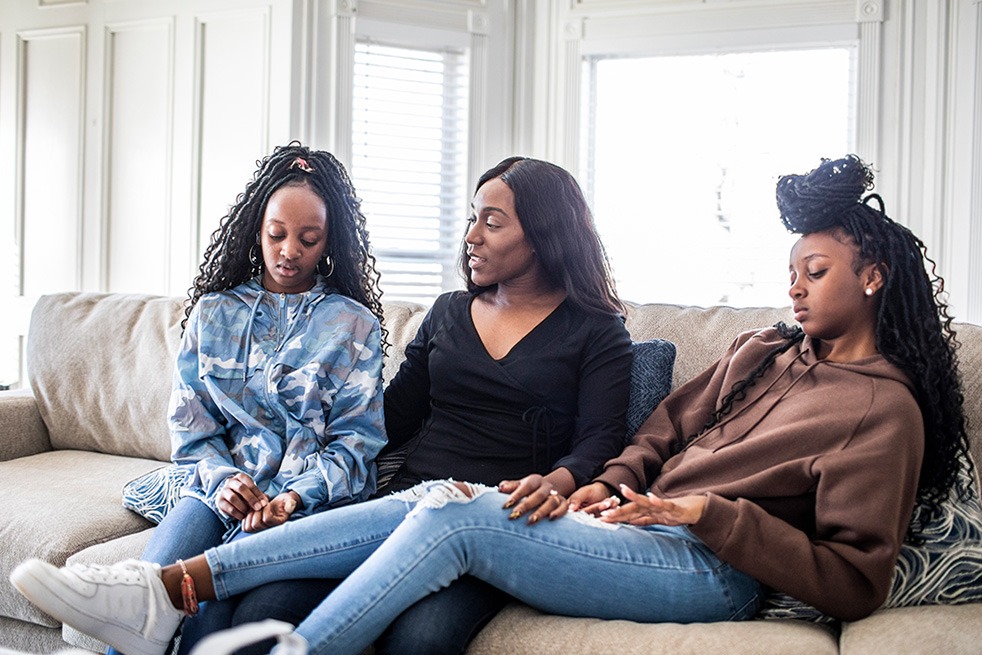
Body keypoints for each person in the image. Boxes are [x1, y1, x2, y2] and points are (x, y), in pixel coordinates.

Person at [11, 156, 634, 655]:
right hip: (404, 500)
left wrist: (556, 481)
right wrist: (310, 467)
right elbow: (387, 418)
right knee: (252, 610)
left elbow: (602, 438)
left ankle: (154, 594)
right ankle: (152, 599)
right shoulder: (449, 313)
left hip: (495, 512)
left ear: (545, 233)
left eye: (491, 222)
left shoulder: (596, 331)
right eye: (472, 217)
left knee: (420, 637)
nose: (470, 234)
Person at [106, 142, 389, 655]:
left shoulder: (354, 326)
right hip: (216, 490)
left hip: (303, 506)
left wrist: (295, 496)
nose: (288, 251)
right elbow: (192, 429)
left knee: (212, 627)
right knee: (144, 598)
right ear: (256, 231)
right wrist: (223, 479)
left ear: (329, 243)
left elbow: (356, 445)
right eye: (277, 235)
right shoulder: (213, 314)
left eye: (308, 239)